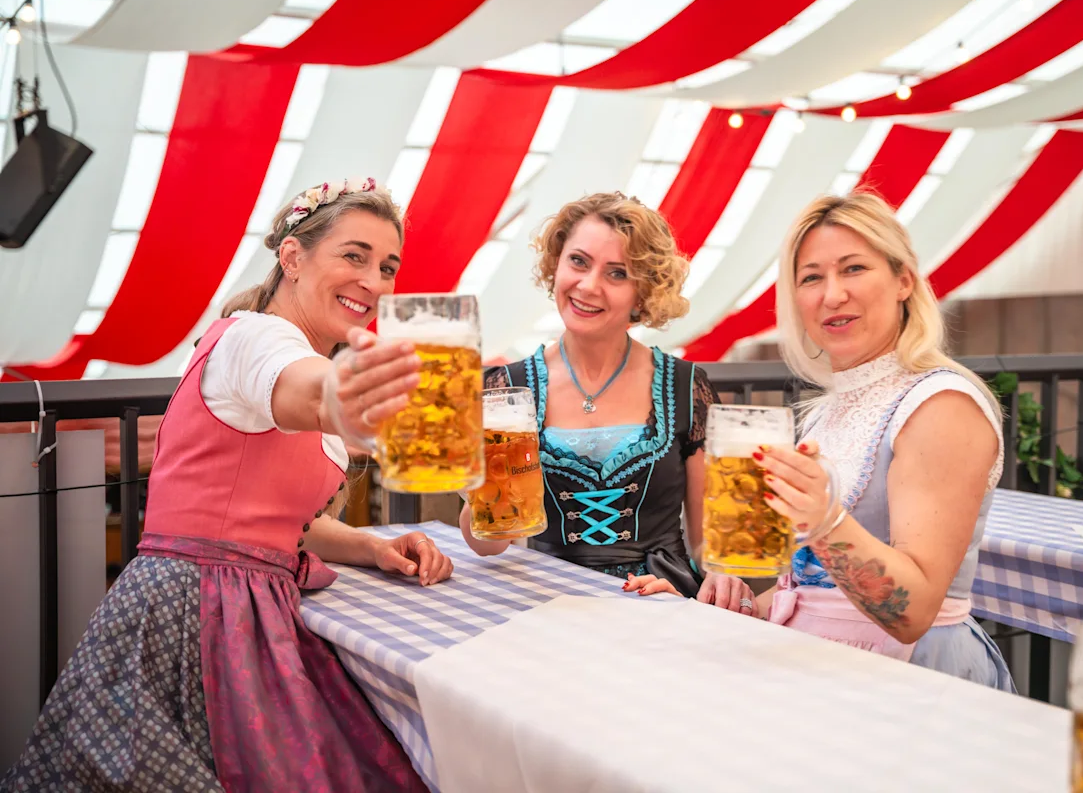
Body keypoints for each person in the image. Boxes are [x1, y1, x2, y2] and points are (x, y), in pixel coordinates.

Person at [2, 178, 452, 792]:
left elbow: (277, 520)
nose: (373, 281)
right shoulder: (255, 338)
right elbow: (307, 391)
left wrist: (370, 546)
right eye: (354, 256)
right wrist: (344, 405)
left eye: (387, 266)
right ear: (292, 257)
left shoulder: (274, 343)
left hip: (240, 607)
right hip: (194, 615)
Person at [629, 192, 1016, 691]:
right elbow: (812, 594)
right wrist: (718, 606)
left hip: (911, 681)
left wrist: (823, 518)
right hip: (819, 669)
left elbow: (914, 612)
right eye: (811, 277)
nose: (832, 295)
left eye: (853, 269)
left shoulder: (942, 406)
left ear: (904, 280)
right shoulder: (824, 413)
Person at [458, 192, 716, 597]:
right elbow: (488, 545)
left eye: (617, 273)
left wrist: (694, 584)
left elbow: (706, 543)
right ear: (556, 264)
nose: (589, 285)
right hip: (548, 601)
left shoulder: (687, 386)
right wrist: (475, 490)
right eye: (578, 261)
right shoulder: (507, 389)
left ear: (642, 290)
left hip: (662, 598)